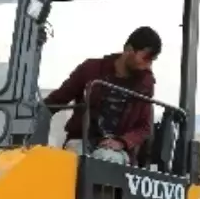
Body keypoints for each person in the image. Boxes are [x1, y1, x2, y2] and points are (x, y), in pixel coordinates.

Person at [43, 27, 162, 165]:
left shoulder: (145, 85)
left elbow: (144, 127)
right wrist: (33, 116)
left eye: (152, 60)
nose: (149, 65)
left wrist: (122, 142)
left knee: (105, 159)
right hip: (82, 140)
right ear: (129, 49)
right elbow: (58, 99)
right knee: (71, 157)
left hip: (116, 149)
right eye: (146, 58)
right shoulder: (90, 69)